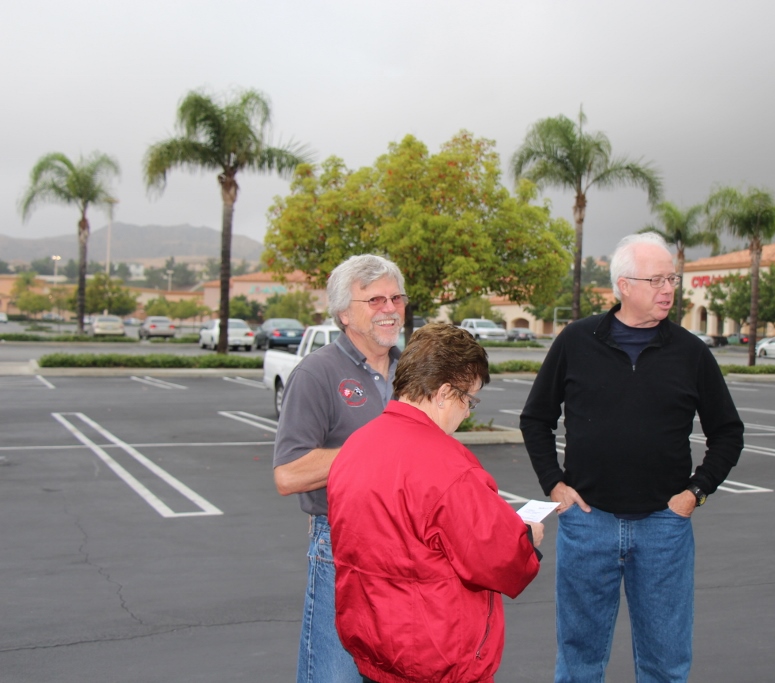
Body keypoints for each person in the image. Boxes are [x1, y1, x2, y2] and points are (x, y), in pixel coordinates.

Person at [520, 232, 745, 682]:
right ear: (624, 285)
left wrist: (694, 493)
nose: (668, 289)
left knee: (665, 661)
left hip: (665, 527)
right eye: (657, 279)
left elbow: (728, 432)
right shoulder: (576, 341)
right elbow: (535, 418)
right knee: (579, 659)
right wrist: (554, 483)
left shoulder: (691, 353)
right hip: (588, 523)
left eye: (672, 279)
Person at [327, 323, 543, 683]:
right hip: (436, 656)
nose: (469, 412)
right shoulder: (448, 466)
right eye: (469, 399)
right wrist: (527, 538)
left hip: (375, 650)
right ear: (444, 393)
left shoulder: (355, 447)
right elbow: (500, 560)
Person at [273, 254, 406, 683]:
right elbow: (289, 473)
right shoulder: (315, 374)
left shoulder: (414, 373)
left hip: (409, 547)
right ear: (344, 313)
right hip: (342, 546)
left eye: (396, 298)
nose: (389, 308)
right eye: (374, 300)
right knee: (336, 674)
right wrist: (375, 447)